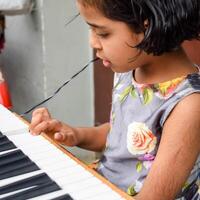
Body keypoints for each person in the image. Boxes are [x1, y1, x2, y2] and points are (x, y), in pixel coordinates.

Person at [29, 0, 200, 199]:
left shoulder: (189, 105)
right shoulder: (129, 69)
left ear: (148, 27)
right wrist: (76, 135)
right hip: (105, 186)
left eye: (102, 33)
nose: (92, 42)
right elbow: (122, 136)